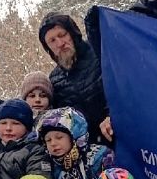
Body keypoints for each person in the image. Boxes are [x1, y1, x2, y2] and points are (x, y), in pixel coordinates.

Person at [38, 12, 111, 146]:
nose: (60, 43)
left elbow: (124, 87)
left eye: (62, 35)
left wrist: (113, 116)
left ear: (73, 33)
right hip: (92, 150)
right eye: (52, 41)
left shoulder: (99, 52)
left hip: (122, 132)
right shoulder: (55, 80)